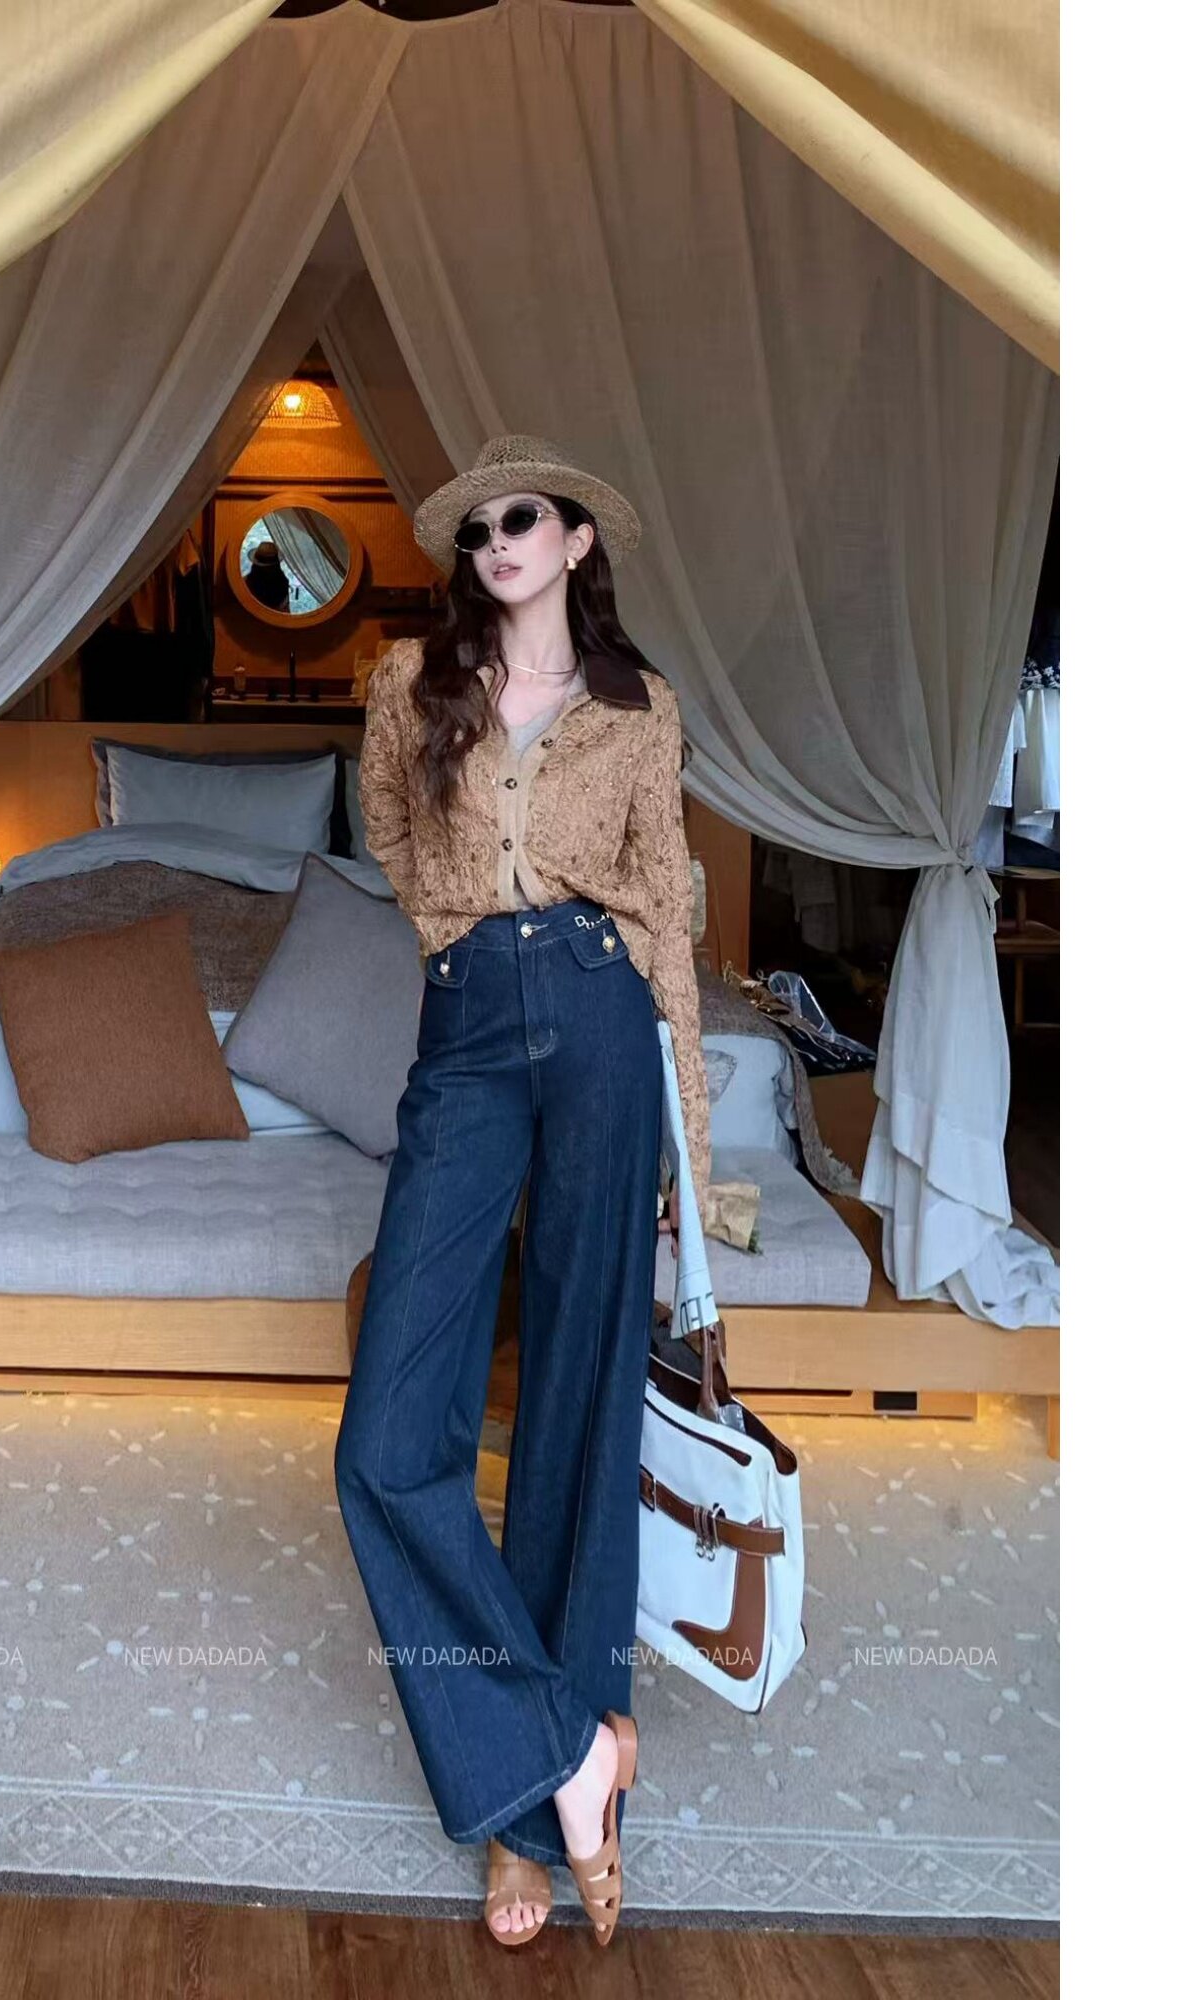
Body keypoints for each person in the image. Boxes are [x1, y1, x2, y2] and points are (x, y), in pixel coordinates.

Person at [333, 434, 710, 1950]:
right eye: (478, 525)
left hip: (608, 1013)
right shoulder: (407, 687)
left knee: (579, 1398)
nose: (497, 540)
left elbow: (669, 908)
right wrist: (455, 936)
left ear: (574, 541)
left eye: (524, 518)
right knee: (386, 1438)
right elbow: (389, 832)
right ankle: (565, 1749)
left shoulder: (638, 707)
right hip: (471, 1025)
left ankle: (526, 1828)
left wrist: (689, 1143)